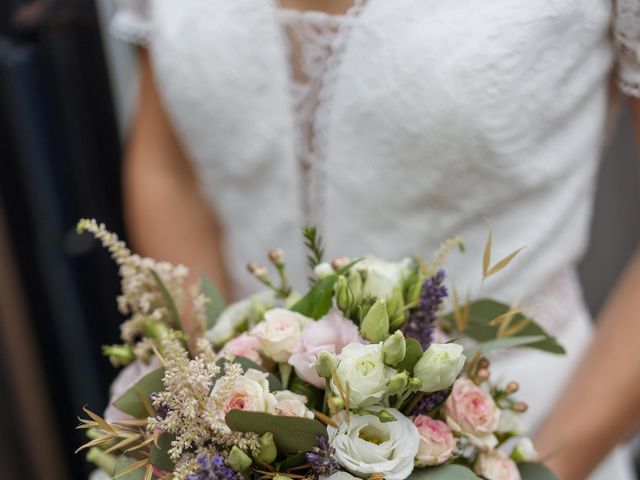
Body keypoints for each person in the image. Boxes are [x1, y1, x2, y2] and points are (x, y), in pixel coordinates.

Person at [111, 1, 640, 478]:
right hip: (250, 438)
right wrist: (204, 411)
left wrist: (550, 466)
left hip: (530, 427)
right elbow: (171, 170)